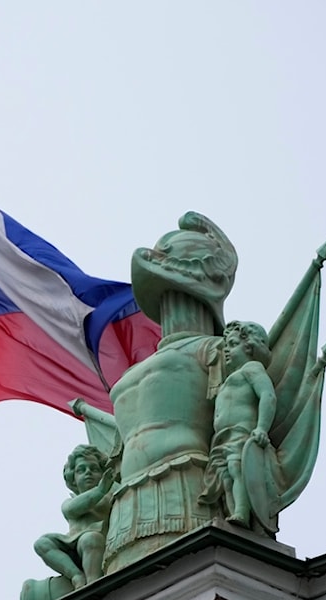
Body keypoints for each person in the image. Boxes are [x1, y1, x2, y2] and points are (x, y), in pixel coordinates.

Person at [103, 212, 238, 573]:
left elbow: (238, 417)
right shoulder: (134, 373)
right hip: (124, 514)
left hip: (192, 493)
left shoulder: (216, 352)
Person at [199, 321, 276, 526]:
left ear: (249, 347)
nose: (226, 351)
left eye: (232, 344)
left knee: (235, 468)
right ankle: (234, 514)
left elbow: (267, 395)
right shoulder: (228, 379)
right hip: (222, 437)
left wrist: (262, 427)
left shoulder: (252, 368)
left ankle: (242, 512)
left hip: (241, 432)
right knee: (225, 476)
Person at [33, 445, 115, 590]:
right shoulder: (71, 501)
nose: (88, 472)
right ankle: (76, 575)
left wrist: (104, 490)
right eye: (81, 470)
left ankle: (92, 582)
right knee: (42, 543)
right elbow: (72, 510)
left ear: (103, 475)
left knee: (90, 539)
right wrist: (100, 490)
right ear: (73, 479)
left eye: (94, 469)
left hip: (98, 543)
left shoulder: (110, 498)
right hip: (72, 543)